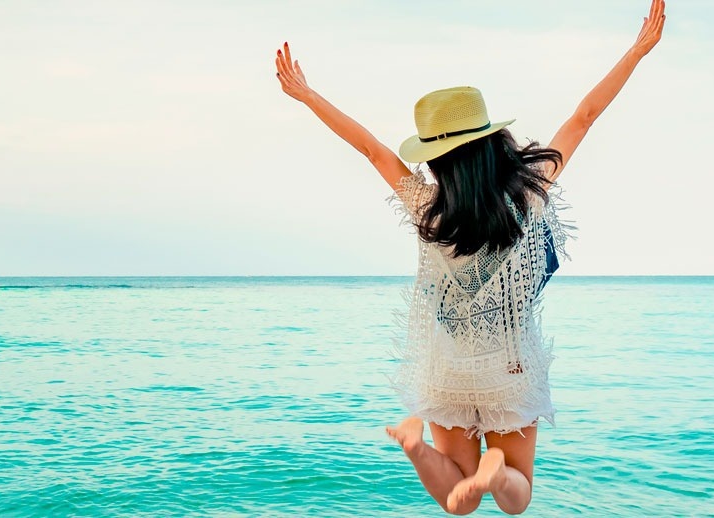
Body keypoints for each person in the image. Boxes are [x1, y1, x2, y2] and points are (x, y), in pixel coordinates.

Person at [273, 1, 664, 514]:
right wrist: (636, 51)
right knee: (515, 499)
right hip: (510, 366)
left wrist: (306, 95)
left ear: (434, 156)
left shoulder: (427, 208)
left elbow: (370, 148)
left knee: (457, 503)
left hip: (448, 368)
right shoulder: (529, 191)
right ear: (490, 139)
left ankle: (414, 447)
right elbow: (584, 117)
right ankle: (497, 470)